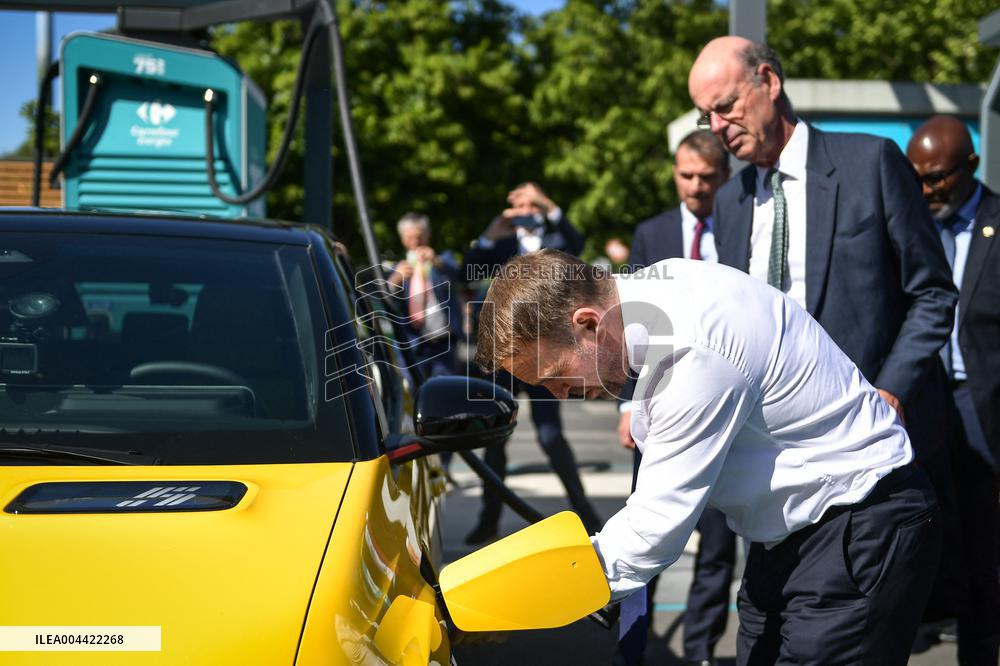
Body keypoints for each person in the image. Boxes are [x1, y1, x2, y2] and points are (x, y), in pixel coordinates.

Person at [477, 248, 942, 664]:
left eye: (555, 375)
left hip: (855, 530)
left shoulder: (688, 352)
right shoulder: (659, 291)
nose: (561, 395)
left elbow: (649, 533)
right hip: (801, 533)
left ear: (588, 324)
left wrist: (507, 603)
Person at [688, 37, 961, 628]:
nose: (717, 127)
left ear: (769, 81)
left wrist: (891, 389)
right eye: (704, 114)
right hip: (773, 466)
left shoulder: (870, 164)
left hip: (866, 458)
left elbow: (932, 293)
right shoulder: (732, 202)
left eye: (727, 105)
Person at [616, 130, 734, 666]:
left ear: (723, 178)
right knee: (644, 525)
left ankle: (700, 648)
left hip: (721, 400)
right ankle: (631, 648)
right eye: (687, 176)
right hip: (657, 400)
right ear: (674, 173)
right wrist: (625, 403)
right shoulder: (653, 232)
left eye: (707, 178)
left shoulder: (742, 227)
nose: (696, 187)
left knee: (717, 540)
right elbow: (628, 322)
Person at [906, 115, 1000, 665]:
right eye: (917, 177)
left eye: (937, 177)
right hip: (923, 408)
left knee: (984, 553)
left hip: (983, 407)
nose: (926, 189)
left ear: (971, 166)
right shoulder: (913, 222)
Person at [463, 182, 602, 544]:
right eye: (517, 206)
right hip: (506, 356)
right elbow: (468, 271)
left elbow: (578, 244)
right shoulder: (502, 243)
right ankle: (488, 519)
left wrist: (548, 206)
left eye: (529, 205)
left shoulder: (555, 239)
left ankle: (584, 511)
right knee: (495, 438)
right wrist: (489, 234)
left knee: (550, 435)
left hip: (547, 354)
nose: (524, 211)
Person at [387, 212, 463, 379]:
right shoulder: (397, 268)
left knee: (444, 390)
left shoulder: (442, 261)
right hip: (413, 342)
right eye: (410, 238)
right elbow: (385, 297)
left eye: (419, 237)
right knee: (414, 390)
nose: (415, 243)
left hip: (442, 341)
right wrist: (395, 279)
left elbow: (458, 273)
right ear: (402, 239)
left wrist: (435, 260)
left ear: (428, 236)